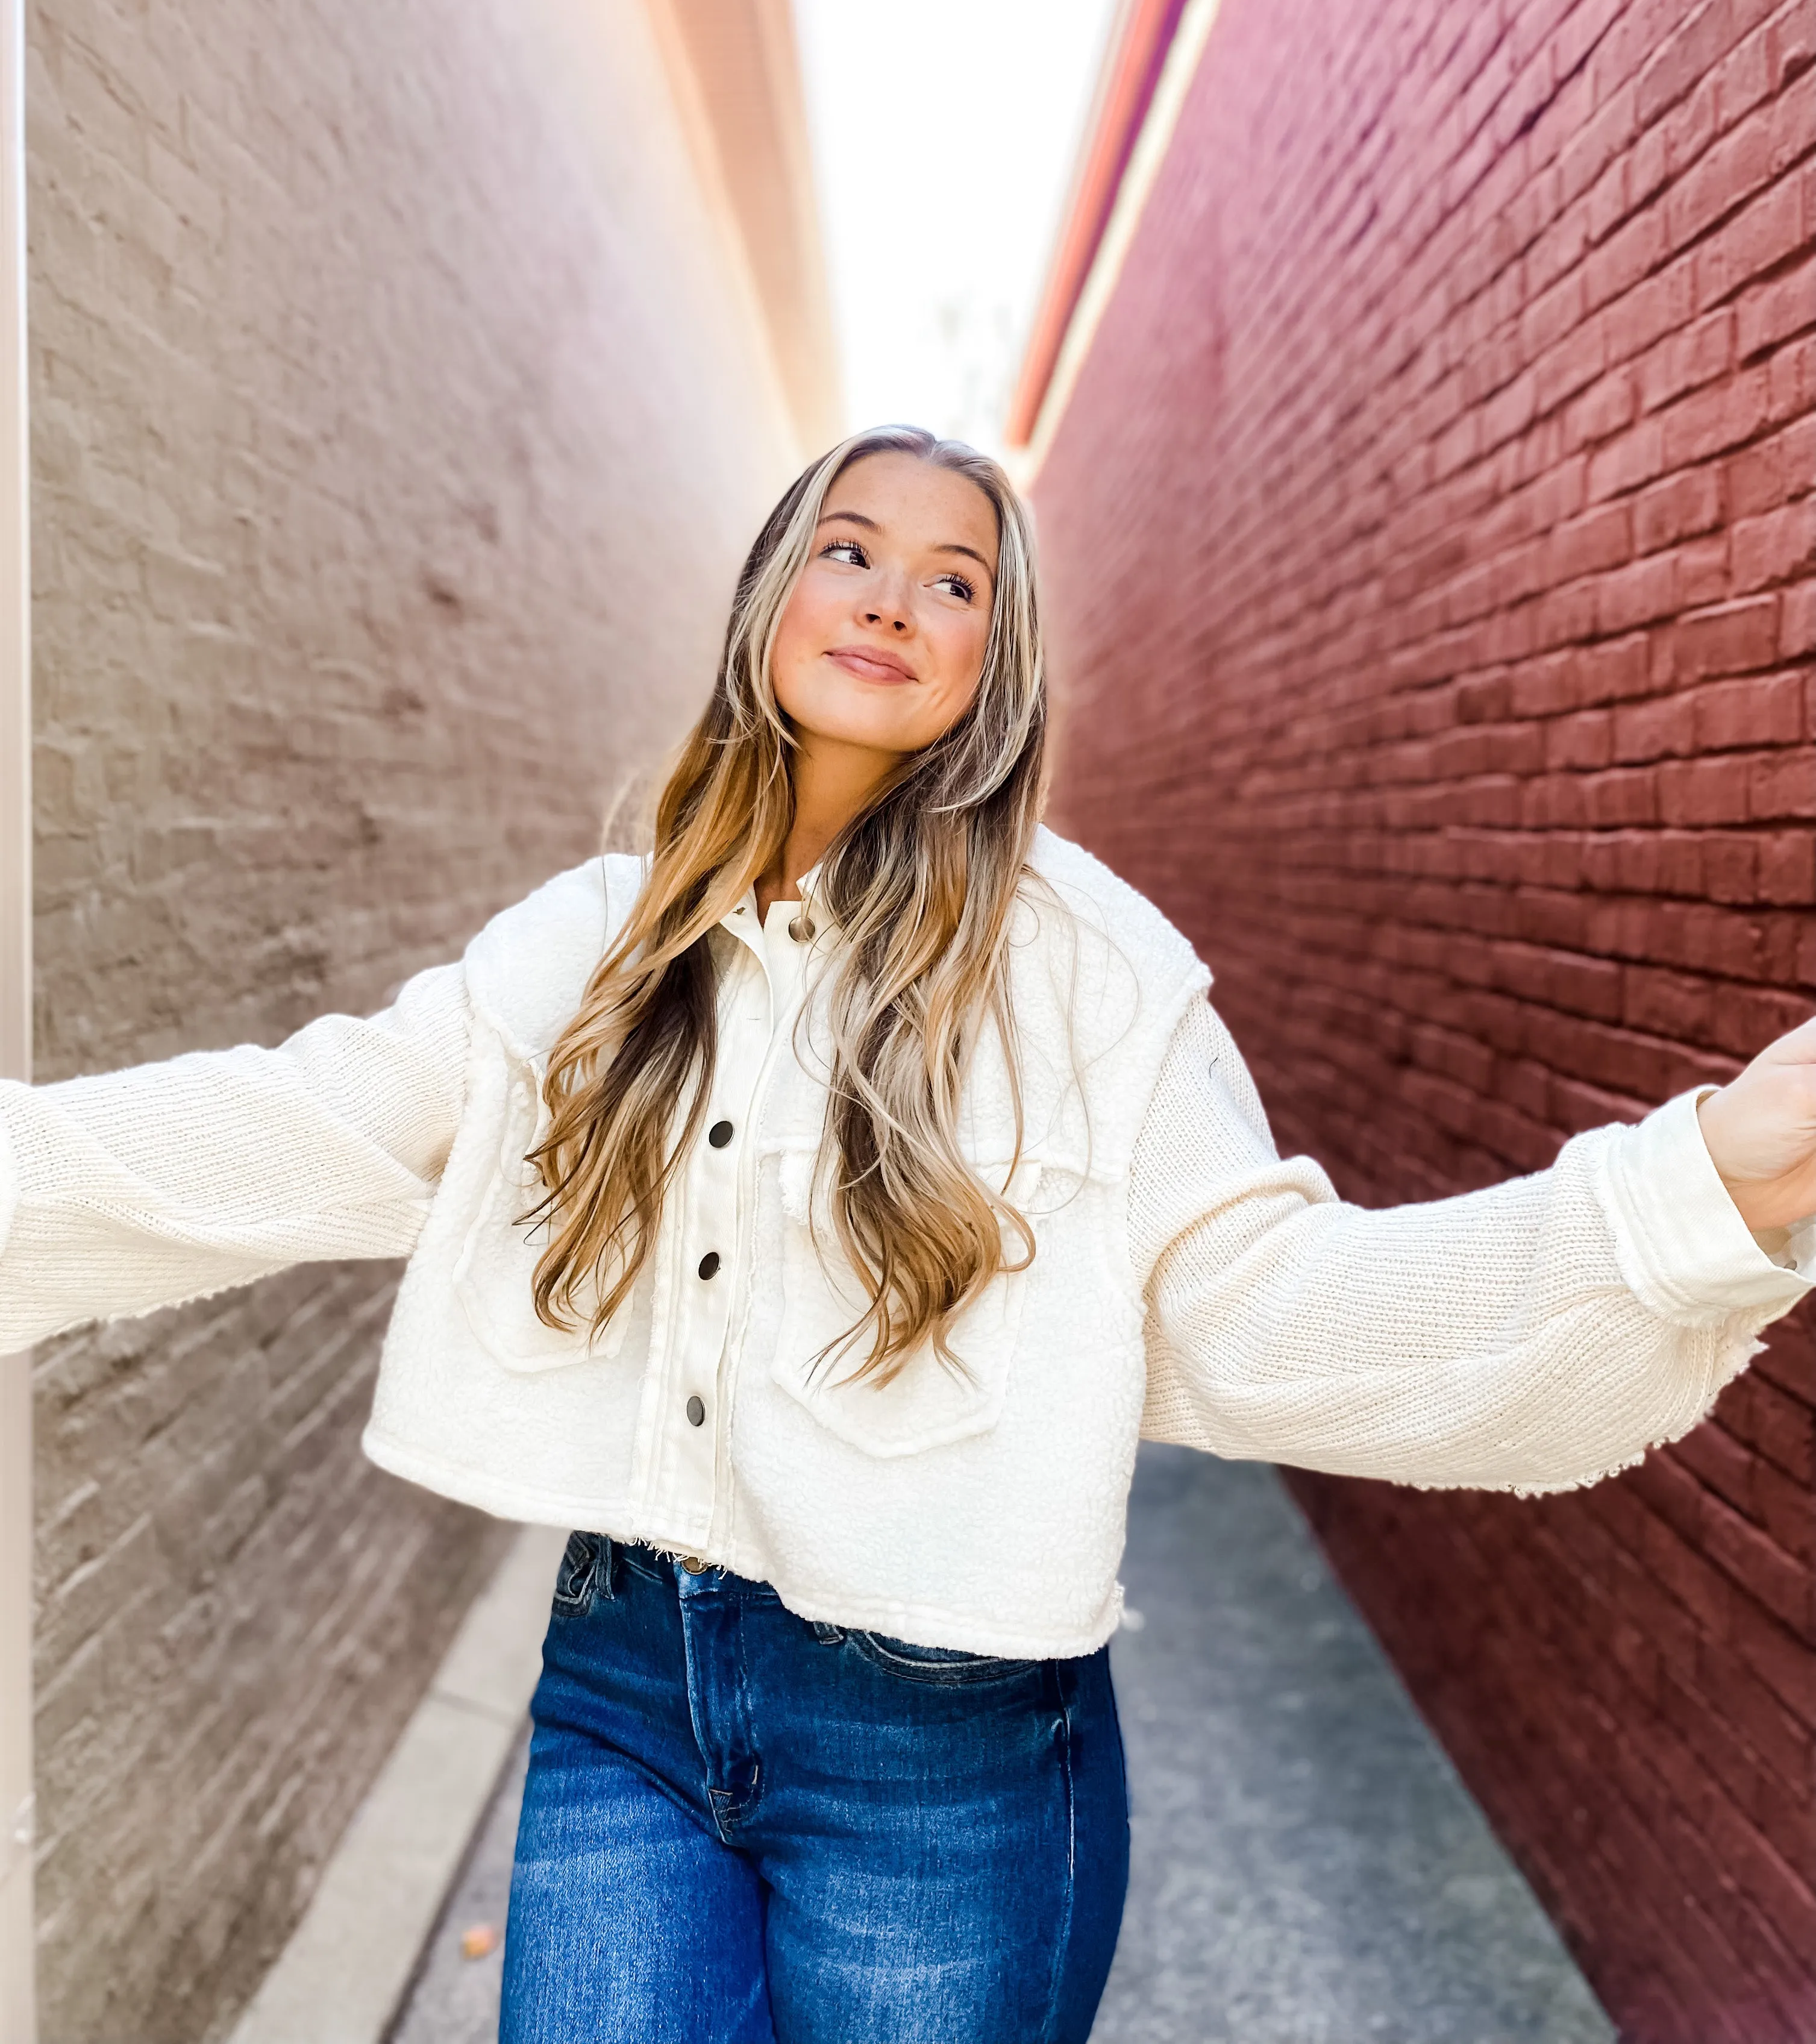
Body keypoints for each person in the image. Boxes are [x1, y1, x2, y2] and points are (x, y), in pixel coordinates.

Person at [1, 425, 1811, 2043]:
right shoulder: (605, 934)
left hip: (933, 1748)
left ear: (992, 666)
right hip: (627, 1680)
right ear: (767, 598)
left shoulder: (1085, 972)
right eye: (846, 548)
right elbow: (299, 1124)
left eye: (954, 579)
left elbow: (1272, 1321)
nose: (888, 599)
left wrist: (1708, 1185)